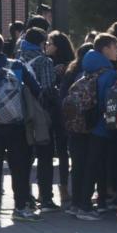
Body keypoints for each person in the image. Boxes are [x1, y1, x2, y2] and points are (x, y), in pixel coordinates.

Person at [0, 31, 42, 222]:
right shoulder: (18, 66)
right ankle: (20, 207)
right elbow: (36, 90)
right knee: (19, 166)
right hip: (17, 125)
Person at [17, 27, 59, 212]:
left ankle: (25, 197)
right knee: (44, 157)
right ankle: (46, 198)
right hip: (40, 115)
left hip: (21, 115)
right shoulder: (44, 61)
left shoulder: (17, 60)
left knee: (24, 158)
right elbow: (48, 90)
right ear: (41, 43)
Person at [81, 34, 117, 215]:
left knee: (91, 164)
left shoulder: (86, 68)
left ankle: (94, 201)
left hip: (86, 123)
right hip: (102, 125)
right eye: (115, 47)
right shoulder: (109, 73)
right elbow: (111, 103)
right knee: (98, 164)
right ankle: (87, 205)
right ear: (105, 49)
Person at [62, 42, 102, 221]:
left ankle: (76, 203)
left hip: (73, 127)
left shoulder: (76, 76)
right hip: (89, 128)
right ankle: (85, 206)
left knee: (77, 166)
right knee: (90, 166)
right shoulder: (97, 79)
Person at [47, 30, 75, 204]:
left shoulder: (54, 65)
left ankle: (56, 189)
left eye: (49, 43)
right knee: (64, 152)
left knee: (56, 152)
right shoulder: (72, 64)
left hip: (55, 112)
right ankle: (64, 188)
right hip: (66, 112)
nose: (46, 46)